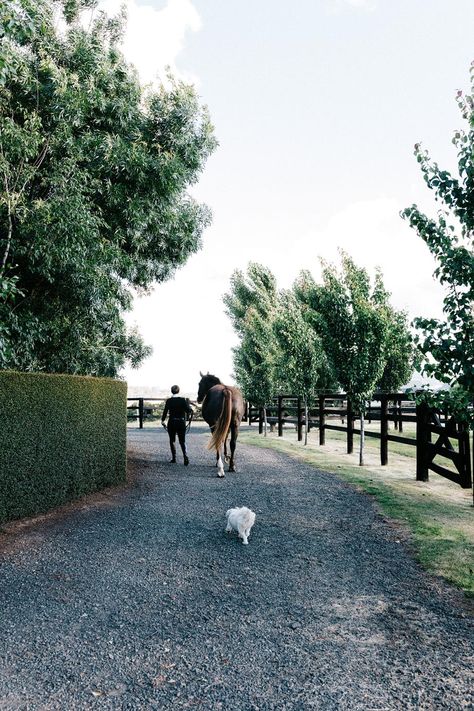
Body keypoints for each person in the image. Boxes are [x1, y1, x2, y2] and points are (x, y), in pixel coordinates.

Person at [161, 385, 193, 465]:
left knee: (172, 440)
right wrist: (189, 407)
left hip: (172, 422)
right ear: (178, 391)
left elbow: (165, 411)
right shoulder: (183, 400)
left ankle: (174, 458)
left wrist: (162, 420)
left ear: (171, 391)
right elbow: (189, 411)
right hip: (181, 422)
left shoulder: (169, 401)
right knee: (182, 441)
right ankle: (185, 456)